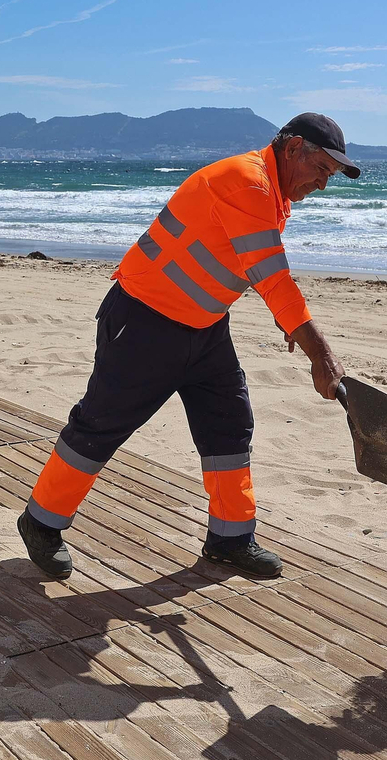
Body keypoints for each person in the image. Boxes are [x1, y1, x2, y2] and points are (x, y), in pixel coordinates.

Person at [18, 112, 360, 580]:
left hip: (206, 328)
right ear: (293, 148)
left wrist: (292, 325)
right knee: (98, 428)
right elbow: (273, 277)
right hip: (144, 322)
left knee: (229, 425)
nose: (322, 183)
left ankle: (230, 539)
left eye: (331, 176)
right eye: (321, 169)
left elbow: (249, 264)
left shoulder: (273, 193)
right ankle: (40, 523)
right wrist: (320, 353)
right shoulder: (247, 181)